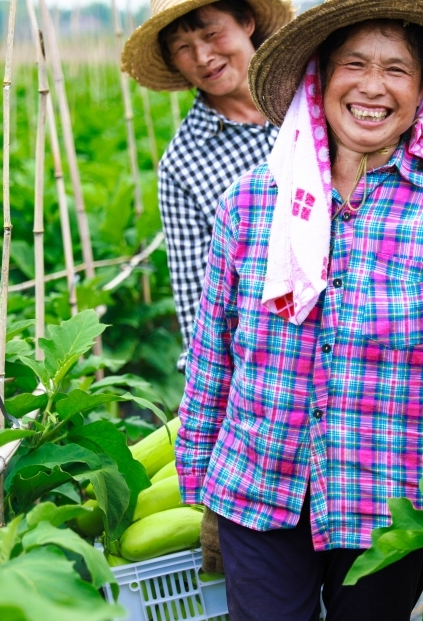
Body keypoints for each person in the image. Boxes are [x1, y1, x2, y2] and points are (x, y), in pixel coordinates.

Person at [177, 0, 423, 618]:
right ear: (320, 78)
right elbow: (211, 356)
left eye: (396, 70)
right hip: (256, 488)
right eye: (354, 64)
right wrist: (201, 489)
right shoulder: (252, 203)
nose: (372, 87)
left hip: (389, 506)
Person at [122, 0, 294, 373]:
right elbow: (198, 300)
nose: (203, 57)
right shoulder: (182, 164)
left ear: (247, 22)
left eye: (212, 33)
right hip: (273, 360)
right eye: (182, 47)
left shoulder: (311, 98)